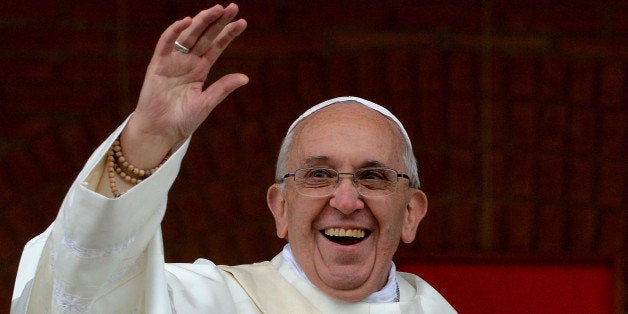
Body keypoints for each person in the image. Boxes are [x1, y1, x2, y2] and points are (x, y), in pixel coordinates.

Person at [11, 3, 455, 313]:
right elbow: (84, 295)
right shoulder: (201, 302)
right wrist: (145, 143)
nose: (345, 199)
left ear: (412, 213)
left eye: (372, 176)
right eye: (318, 175)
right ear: (280, 208)